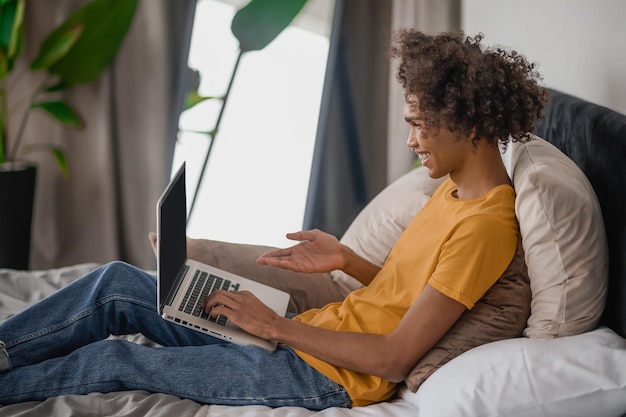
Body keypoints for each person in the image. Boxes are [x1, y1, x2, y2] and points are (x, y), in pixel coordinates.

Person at [0, 30, 546, 409]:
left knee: (116, 358)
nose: (410, 141)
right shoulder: (452, 191)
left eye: (420, 125)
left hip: (321, 376)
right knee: (116, 283)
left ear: (469, 121)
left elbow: (397, 357)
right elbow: (411, 298)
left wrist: (274, 326)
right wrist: (347, 260)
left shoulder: (487, 225)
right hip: (308, 337)